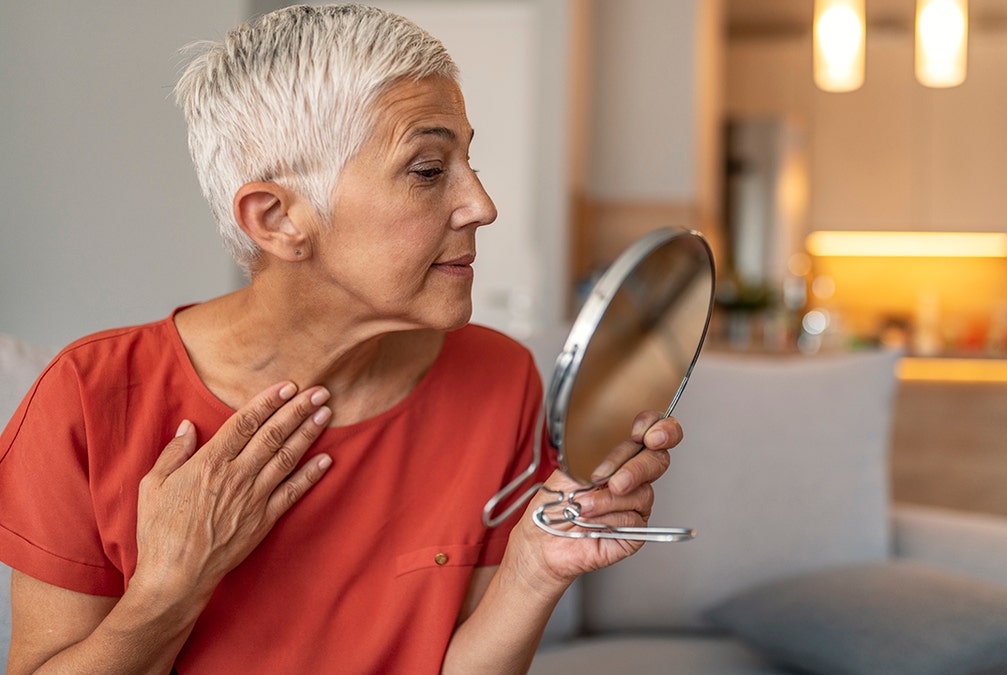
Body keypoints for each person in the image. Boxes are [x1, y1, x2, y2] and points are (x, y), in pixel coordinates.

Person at [0, 5, 684, 673]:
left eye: (467, 160)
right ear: (278, 219)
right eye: (427, 170)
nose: (481, 204)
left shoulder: (500, 379)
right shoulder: (86, 400)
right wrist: (168, 587)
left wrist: (534, 569)